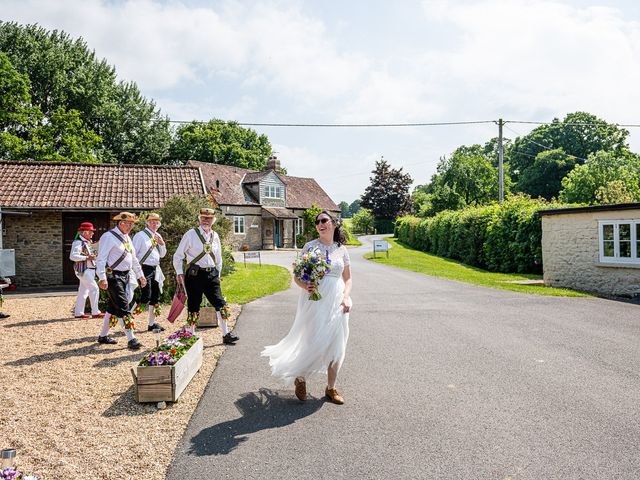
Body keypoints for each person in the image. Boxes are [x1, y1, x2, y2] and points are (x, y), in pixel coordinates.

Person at [262, 210, 352, 405]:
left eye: (324, 220)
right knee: (312, 341)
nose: (320, 224)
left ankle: (331, 388)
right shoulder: (310, 247)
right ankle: (300, 378)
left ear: (333, 223)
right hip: (315, 300)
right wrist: (305, 286)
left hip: (337, 301)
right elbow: (296, 276)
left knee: (338, 344)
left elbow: (348, 278)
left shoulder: (341, 250)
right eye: (317, 222)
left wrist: (346, 297)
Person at [173, 207, 238, 344]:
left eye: (208, 218)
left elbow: (218, 258)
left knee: (220, 303)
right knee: (193, 304)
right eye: (203, 218)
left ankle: (226, 334)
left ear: (213, 220)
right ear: (199, 219)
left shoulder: (215, 236)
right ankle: (191, 336)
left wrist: (217, 274)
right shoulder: (190, 234)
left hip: (212, 275)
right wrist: (179, 272)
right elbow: (178, 256)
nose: (206, 220)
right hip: (195, 275)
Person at [95, 212, 147, 350]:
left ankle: (103, 336)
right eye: (128, 224)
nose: (131, 226)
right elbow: (101, 258)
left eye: (132, 224)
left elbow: (134, 259)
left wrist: (140, 275)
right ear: (120, 223)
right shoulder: (108, 237)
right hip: (113, 277)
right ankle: (131, 339)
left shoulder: (127, 238)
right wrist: (102, 277)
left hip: (126, 275)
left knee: (112, 307)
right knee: (123, 306)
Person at [132, 213, 167, 331]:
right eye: (151, 221)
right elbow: (133, 254)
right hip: (143, 268)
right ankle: (128, 319)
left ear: (159, 224)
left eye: (156, 222)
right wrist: (137, 271)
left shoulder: (158, 236)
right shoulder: (140, 236)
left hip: (155, 269)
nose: (154, 223)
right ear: (147, 223)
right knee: (146, 295)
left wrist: (162, 244)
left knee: (155, 296)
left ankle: (151, 324)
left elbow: (162, 255)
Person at [69, 222, 103, 319]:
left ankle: (78, 313)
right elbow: (73, 256)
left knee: (83, 292)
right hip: (84, 270)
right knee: (94, 289)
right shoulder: (78, 242)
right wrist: (87, 257)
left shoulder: (87, 242)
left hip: (88, 270)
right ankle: (95, 312)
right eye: (91, 232)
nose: (92, 233)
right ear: (84, 232)